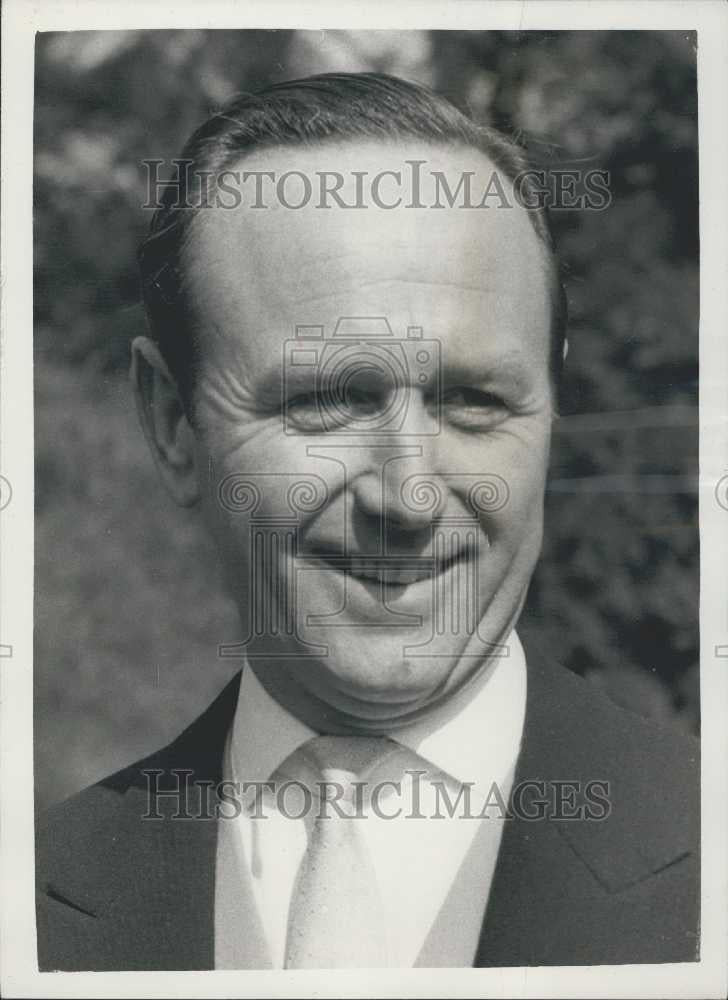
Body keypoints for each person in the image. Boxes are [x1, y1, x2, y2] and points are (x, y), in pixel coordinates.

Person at [36, 72, 699, 971]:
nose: (410, 497)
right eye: (326, 403)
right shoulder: (32, 903)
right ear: (171, 423)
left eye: (473, 401)